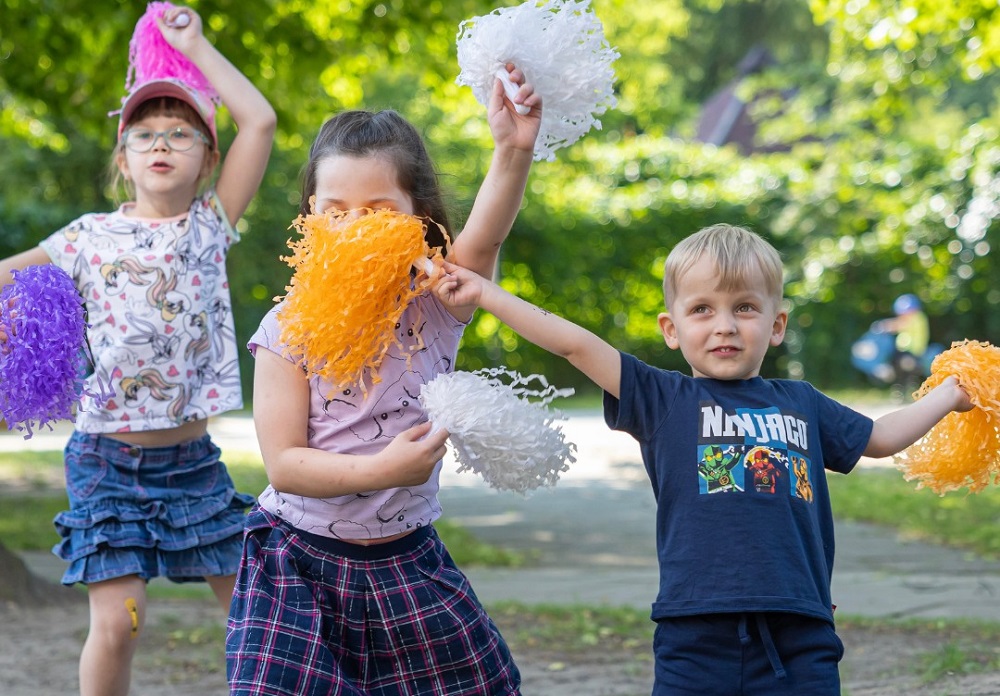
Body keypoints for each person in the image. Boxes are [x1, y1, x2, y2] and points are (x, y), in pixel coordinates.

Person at [434, 223, 972, 696]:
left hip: (799, 634)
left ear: (776, 324)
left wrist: (947, 395)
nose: (725, 325)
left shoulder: (802, 401)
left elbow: (877, 436)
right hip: (693, 635)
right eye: (701, 309)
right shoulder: (662, 399)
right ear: (672, 329)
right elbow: (575, 345)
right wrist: (486, 294)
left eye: (744, 307)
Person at [225, 68, 541, 695]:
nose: (353, 226)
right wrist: (383, 470)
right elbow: (284, 464)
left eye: (377, 210)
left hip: (407, 560)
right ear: (309, 213)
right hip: (296, 563)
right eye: (334, 210)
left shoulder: (435, 300)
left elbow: (485, 241)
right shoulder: (287, 325)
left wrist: (513, 149)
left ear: (418, 217)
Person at [0, 6, 275, 696]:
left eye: (182, 133)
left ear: (208, 159)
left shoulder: (212, 225)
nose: (163, 142)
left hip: (193, 466)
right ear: (123, 160)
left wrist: (195, 46)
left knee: (254, 610)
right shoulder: (86, 237)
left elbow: (262, 122)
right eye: (145, 133)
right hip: (107, 464)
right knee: (120, 620)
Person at [875, 292, 931, 393]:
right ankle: (902, 389)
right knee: (900, 369)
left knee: (900, 365)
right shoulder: (917, 317)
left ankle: (902, 389)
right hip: (907, 351)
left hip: (911, 352)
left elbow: (897, 325)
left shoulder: (916, 318)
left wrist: (883, 326)